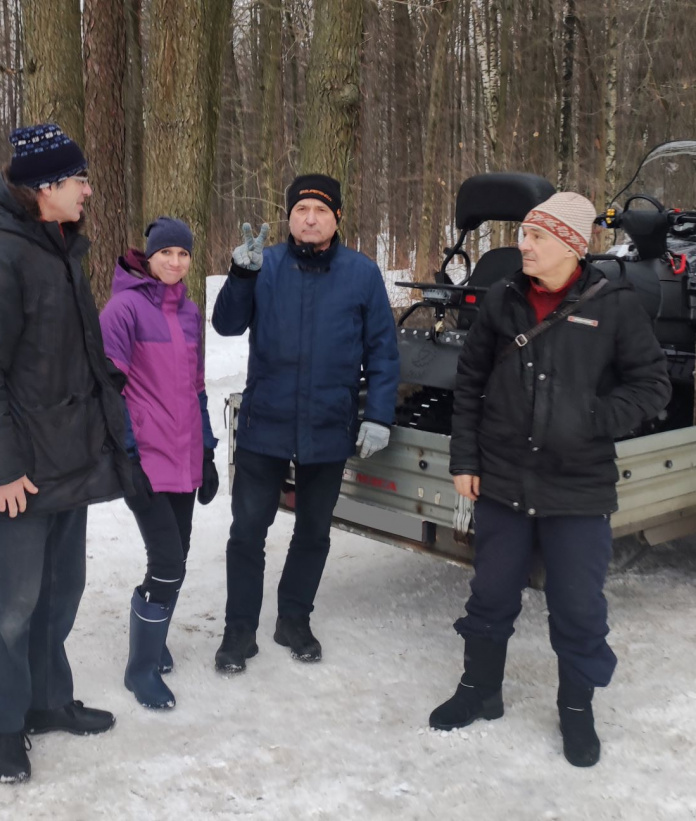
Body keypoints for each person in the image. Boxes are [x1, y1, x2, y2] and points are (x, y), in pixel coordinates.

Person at [430, 192, 671, 767]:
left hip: (578, 486)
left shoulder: (614, 305)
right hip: (503, 480)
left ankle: (576, 711)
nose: (523, 245)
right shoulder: (502, 300)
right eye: (526, 234)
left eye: (537, 237)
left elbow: (652, 385)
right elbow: (469, 383)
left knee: (578, 606)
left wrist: (592, 418)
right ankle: (479, 690)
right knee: (489, 595)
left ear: (572, 244)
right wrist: (465, 461)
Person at [0, 123, 132, 784]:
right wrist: (0, 467)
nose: (88, 189)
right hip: (21, 472)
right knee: (12, 604)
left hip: (70, 458)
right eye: (78, 179)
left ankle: (47, 699)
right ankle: (5, 725)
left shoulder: (57, 246)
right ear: (44, 188)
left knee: (61, 593)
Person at [211, 173, 400, 672]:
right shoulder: (264, 265)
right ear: (289, 217)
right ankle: (239, 631)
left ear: (337, 217)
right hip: (265, 422)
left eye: (320, 210)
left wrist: (379, 413)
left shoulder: (362, 274)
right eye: (300, 210)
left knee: (314, 531)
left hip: (327, 425)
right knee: (247, 531)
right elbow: (226, 324)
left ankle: (294, 618)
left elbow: (383, 349)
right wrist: (240, 276)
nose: (309, 219)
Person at [99, 216, 220, 710]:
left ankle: (153, 639)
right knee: (168, 563)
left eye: (183, 254)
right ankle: (140, 668)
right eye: (166, 253)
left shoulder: (189, 312)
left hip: (184, 456)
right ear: (148, 256)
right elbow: (110, 389)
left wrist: (208, 450)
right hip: (147, 458)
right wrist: (127, 456)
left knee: (177, 557)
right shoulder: (123, 309)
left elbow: (197, 387)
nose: (174, 261)